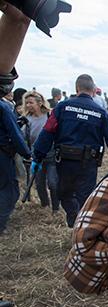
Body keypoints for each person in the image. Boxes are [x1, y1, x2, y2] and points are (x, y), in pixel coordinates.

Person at [32, 74, 108, 227]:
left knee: (65, 194)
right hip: (88, 164)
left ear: (77, 89)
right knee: (85, 198)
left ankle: (74, 218)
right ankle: (82, 226)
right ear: (94, 91)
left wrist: (37, 156)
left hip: (65, 161)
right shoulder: (101, 112)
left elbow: (47, 132)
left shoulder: (62, 107)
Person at [0, 0, 32, 236]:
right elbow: (14, 133)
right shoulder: (4, 107)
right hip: (4, 155)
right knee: (9, 192)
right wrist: (29, 154)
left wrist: (18, 21)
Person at [21, 91, 60, 212]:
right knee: (39, 184)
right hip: (36, 156)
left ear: (40, 103)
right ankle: (45, 205)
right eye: (26, 103)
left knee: (53, 183)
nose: (28, 105)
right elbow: (22, 136)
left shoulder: (50, 115)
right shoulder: (26, 120)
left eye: (31, 102)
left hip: (51, 154)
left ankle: (55, 208)